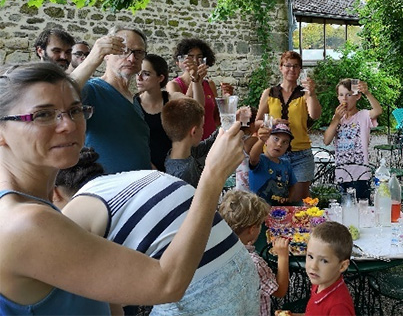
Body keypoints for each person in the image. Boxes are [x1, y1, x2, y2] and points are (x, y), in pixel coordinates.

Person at [0, 61, 246, 315]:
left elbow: (107, 300)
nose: (69, 125)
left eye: (75, 110)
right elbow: (167, 283)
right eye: (43, 114)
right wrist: (213, 176)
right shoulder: (25, 223)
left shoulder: (35, 208)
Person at [71, 25, 152, 173]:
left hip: (137, 188)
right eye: (124, 51)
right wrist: (93, 59)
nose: (132, 58)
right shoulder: (92, 90)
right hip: (105, 188)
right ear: (107, 54)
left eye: (138, 52)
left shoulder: (133, 100)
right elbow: (60, 93)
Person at [257, 51, 322, 199]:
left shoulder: (305, 94)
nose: (291, 70)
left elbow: (315, 115)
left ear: (300, 70)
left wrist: (312, 94)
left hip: (301, 154)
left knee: (296, 200)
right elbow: (257, 122)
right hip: (273, 153)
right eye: (288, 65)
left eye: (296, 66)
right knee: (273, 199)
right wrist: (272, 122)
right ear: (281, 67)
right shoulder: (269, 93)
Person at [219, 189, 290, 316]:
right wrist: (283, 256)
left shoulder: (218, 251)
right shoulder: (254, 263)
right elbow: (279, 291)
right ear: (252, 230)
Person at [135, 54, 206, 171]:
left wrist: (196, 80)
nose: (139, 78)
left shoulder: (171, 98)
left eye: (146, 74)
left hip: (175, 167)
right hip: (145, 170)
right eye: (138, 73)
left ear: (160, 78)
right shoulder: (133, 105)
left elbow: (198, 108)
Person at [323, 79, 382, 200]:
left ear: (357, 96)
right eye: (341, 95)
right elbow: (326, 140)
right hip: (342, 172)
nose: (345, 98)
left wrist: (367, 93)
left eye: (349, 95)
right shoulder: (337, 118)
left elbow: (378, 111)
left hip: (361, 174)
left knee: (361, 207)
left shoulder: (364, 115)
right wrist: (336, 120)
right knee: (344, 208)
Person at [166, 38, 219, 140]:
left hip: (210, 140)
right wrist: (195, 79)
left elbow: (216, 116)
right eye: (190, 57)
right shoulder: (173, 85)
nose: (195, 61)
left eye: (199, 57)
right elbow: (186, 111)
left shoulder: (210, 84)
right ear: (179, 62)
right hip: (189, 142)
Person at [305, 221, 356, 316]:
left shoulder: (338, 307)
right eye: (310, 256)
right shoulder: (320, 282)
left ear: (342, 266)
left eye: (324, 261)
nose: (313, 266)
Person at [162, 97, 212, 187]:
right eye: (201, 126)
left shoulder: (178, 153)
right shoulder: (184, 174)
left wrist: (231, 121)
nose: (202, 130)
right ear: (194, 131)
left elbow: (207, 145)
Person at [249, 123, 300, 205]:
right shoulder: (260, 160)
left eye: (285, 142)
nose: (279, 144)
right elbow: (253, 157)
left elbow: (292, 185)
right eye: (276, 139)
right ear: (266, 141)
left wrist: (288, 199)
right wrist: (261, 140)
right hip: (258, 210)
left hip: (280, 210)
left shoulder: (286, 164)